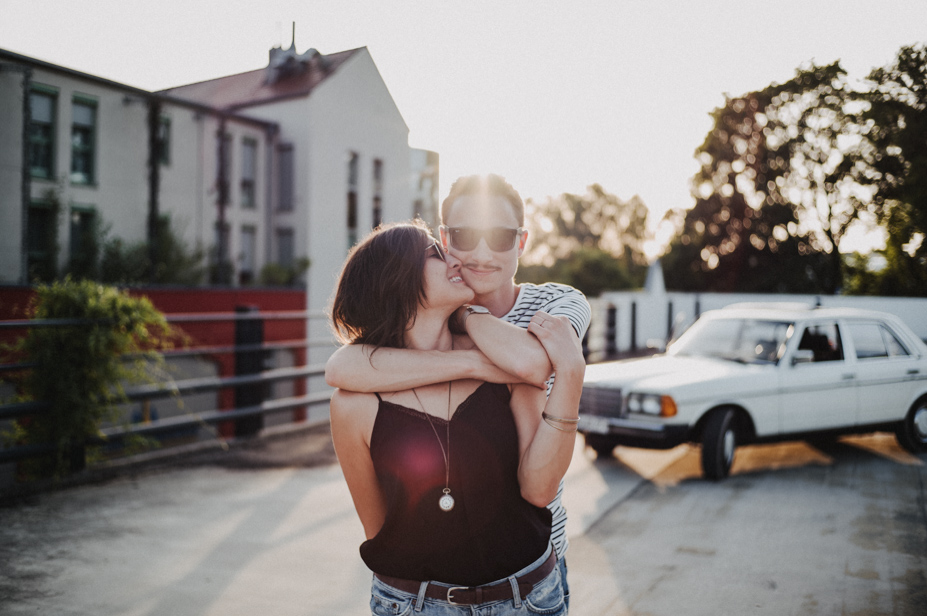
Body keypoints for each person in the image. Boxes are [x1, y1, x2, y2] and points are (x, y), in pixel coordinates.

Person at [325, 174, 592, 605]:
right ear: (400, 278)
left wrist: (471, 317)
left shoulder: (544, 318)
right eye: (457, 241)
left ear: (522, 242)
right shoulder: (359, 399)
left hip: (528, 584)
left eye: (500, 238)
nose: (479, 254)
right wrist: (470, 360)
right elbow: (380, 532)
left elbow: (532, 365)